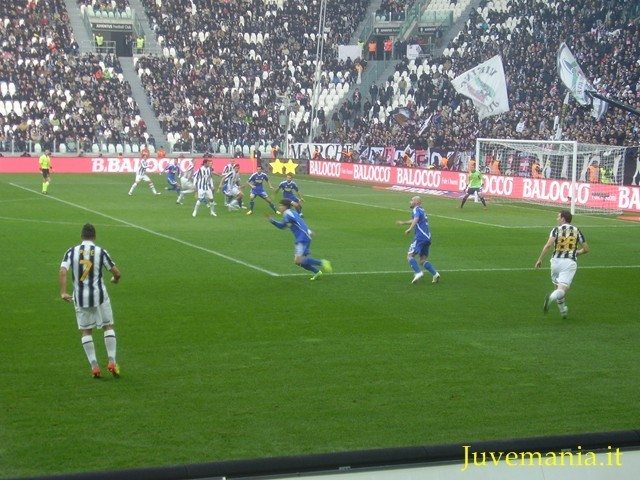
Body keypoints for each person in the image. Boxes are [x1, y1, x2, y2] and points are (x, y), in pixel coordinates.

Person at [59, 223, 121, 378]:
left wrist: (63, 292)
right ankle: (112, 361)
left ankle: (94, 366)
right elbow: (117, 273)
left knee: (86, 331)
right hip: (100, 296)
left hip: (80, 298)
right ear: (95, 236)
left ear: (81, 236)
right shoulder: (100, 251)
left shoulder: (71, 251)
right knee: (108, 326)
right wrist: (114, 279)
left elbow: (63, 271)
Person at [534, 210, 589, 319]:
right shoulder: (577, 230)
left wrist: (540, 259)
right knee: (562, 290)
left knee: (557, 288)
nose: (557, 219)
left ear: (563, 218)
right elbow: (586, 249)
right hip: (569, 263)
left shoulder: (556, 230)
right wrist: (577, 252)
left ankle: (563, 310)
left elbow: (548, 245)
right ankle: (551, 297)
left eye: (558, 217)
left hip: (555, 262)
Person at [268, 199, 332, 281]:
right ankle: (317, 272)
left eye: (280, 205)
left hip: (302, 238)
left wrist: (307, 231)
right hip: (305, 236)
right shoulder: (290, 213)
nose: (279, 207)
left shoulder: (288, 214)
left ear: (285, 206)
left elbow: (294, 222)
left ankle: (322, 262)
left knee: (298, 260)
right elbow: (283, 226)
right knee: (299, 262)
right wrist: (272, 221)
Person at [396, 196, 440, 284]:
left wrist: (410, 229)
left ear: (416, 202)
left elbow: (416, 219)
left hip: (420, 237)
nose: (410, 202)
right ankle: (435, 274)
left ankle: (418, 272)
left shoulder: (415, 209)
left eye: (412, 200)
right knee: (422, 260)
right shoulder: (422, 210)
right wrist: (404, 223)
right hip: (427, 237)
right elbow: (415, 219)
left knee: (410, 256)